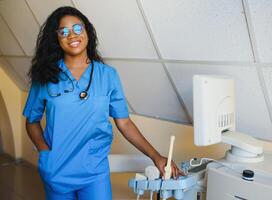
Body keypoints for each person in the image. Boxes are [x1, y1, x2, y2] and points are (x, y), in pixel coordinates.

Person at [23, 6, 182, 200]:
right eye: (63, 32)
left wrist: (156, 156)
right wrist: (45, 153)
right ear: (56, 39)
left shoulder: (108, 76)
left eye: (77, 28)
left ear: (87, 31)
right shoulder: (46, 77)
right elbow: (31, 121)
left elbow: (124, 123)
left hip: (94, 172)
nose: (71, 35)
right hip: (57, 171)